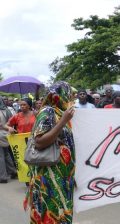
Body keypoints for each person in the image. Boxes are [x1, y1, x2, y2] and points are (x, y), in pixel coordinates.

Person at [24, 81, 76, 223]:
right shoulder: (47, 111)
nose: (71, 98)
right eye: (69, 95)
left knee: (60, 211)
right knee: (50, 212)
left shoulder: (61, 112)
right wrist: (63, 121)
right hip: (49, 175)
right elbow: (39, 142)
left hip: (62, 175)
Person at [0, 97, 16, 183]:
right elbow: (11, 121)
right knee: (7, 154)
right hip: (6, 135)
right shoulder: (7, 110)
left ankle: (3, 177)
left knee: (1, 156)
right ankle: (13, 171)